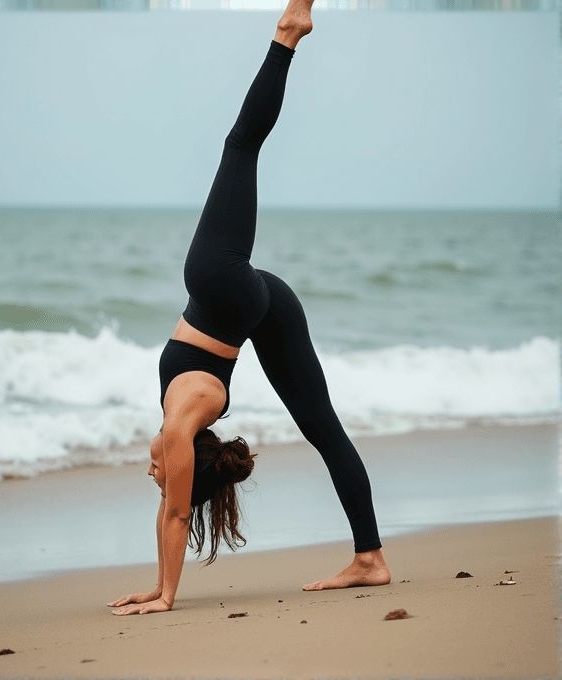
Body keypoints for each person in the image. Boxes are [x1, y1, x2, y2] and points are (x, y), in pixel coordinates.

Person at [109, 0, 390, 616]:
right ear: (187, 459)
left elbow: (172, 509)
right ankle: (289, 34)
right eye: (161, 475)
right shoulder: (182, 425)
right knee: (241, 147)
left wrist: (158, 588)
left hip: (258, 305)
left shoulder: (186, 424)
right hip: (224, 286)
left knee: (326, 430)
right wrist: (169, 599)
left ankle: (371, 558)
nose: (152, 475)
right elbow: (179, 509)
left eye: (158, 476)